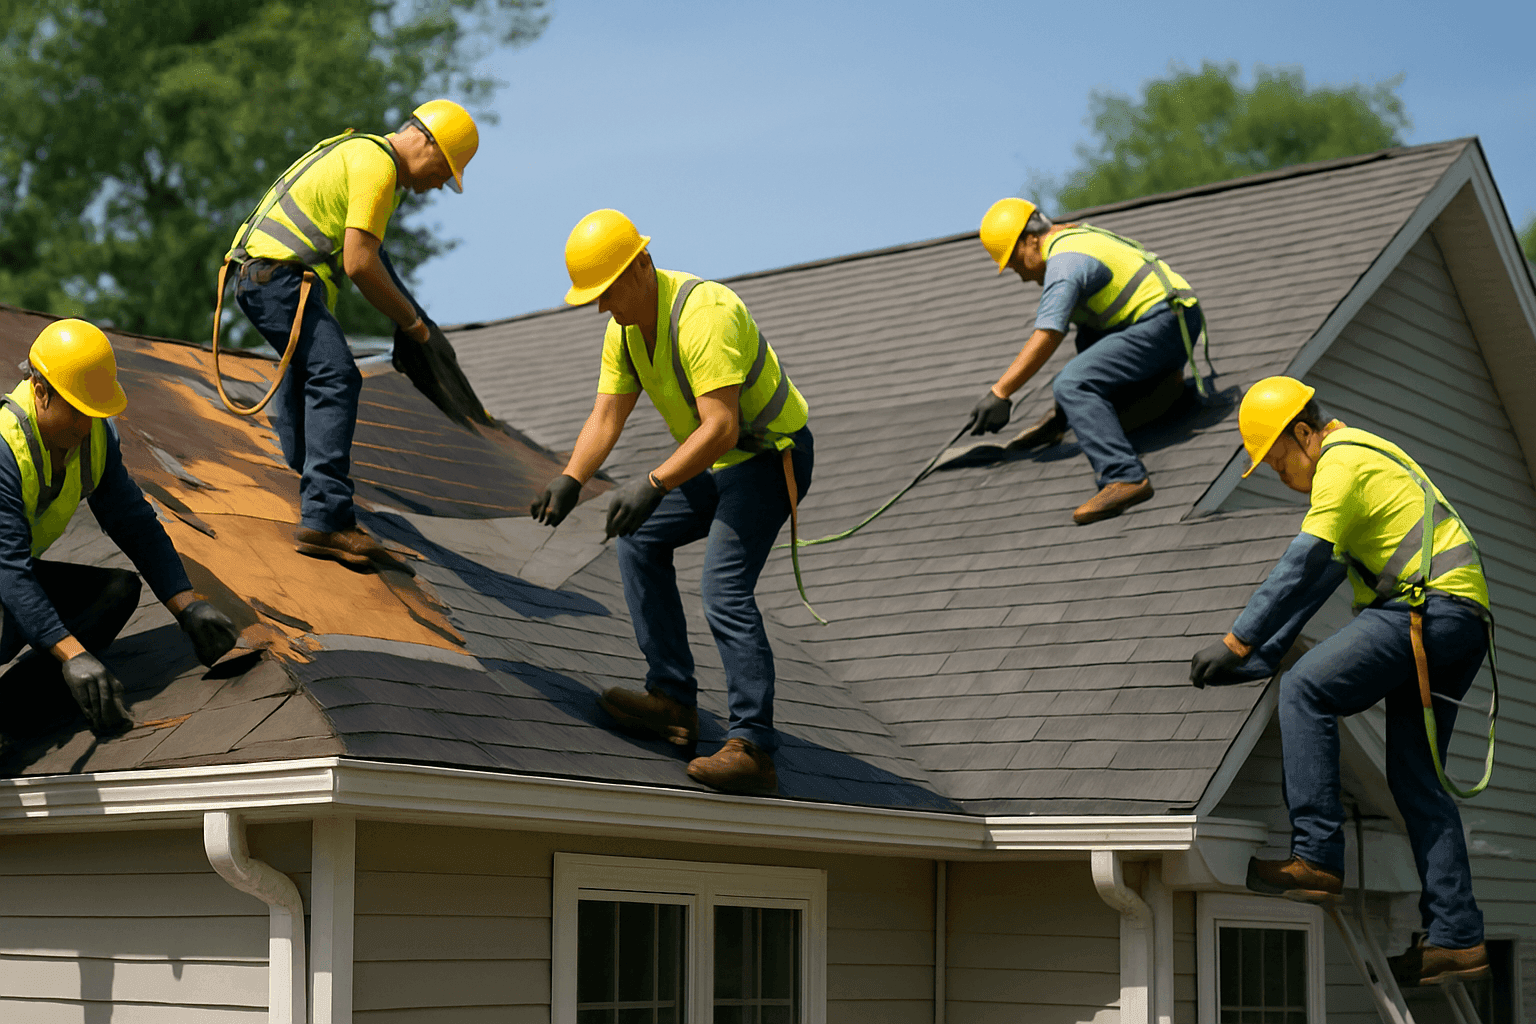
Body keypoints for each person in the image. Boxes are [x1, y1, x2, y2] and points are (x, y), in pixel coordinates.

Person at [1189, 376, 1492, 988]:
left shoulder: (1341, 463)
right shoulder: (1362, 464)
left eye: (1278, 462)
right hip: (1460, 619)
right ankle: (1457, 937)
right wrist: (1255, 656)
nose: (1281, 477)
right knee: (1417, 781)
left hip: (1425, 610)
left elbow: (1301, 562)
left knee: (1306, 690)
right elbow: (1320, 580)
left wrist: (1236, 639)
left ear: (1304, 434)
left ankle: (1316, 857)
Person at [531, 209, 813, 796]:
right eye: (595, 296)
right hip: (716, 463)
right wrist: (572, 477)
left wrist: (654, 483)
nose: (603, 307)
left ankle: (753, 747)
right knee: (639, 538)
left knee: (723, 589)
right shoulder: (625, 331)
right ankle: (672, 701)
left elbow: (722, 427)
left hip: (768, 459)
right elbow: (606, 416)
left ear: (642, 264)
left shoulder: (704, 313)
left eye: (608, 290)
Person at [224, 99, 479, 571]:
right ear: (426, 143)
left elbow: (377, 260)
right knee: (336, 375)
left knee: (311, 372)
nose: (437, 185)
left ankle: (307, 480)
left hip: (261, 279)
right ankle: (326, 519)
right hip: (279, 281)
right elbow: (360, 263)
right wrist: (413, 326)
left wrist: (417, 320)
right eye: (444, 171)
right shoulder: (377, 167)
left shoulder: (362, 154)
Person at [0, 320, 239, 750]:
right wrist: (72, 653)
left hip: (8, 577)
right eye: (78, 409)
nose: (86, 425)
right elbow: (8, 568)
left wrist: (186, 604)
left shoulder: (94, 438)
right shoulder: (4, 447)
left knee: (115, 593)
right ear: (40, 390)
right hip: (4, 575)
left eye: (95, 411)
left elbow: (133, 522)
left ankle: (9, 713)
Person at [971, 198, 1205, 524]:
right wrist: (1064, 415)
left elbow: (1048, 333)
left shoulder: (1065, 262)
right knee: (1087, 339)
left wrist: (1000, 392)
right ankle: (1163, 391)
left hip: (1164, 323)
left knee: (1072, 382)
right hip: (1172, 320)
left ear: (1031, 239)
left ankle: (1125, 477)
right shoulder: (1076, 238)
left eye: (1016, 263)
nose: (1021, 276)